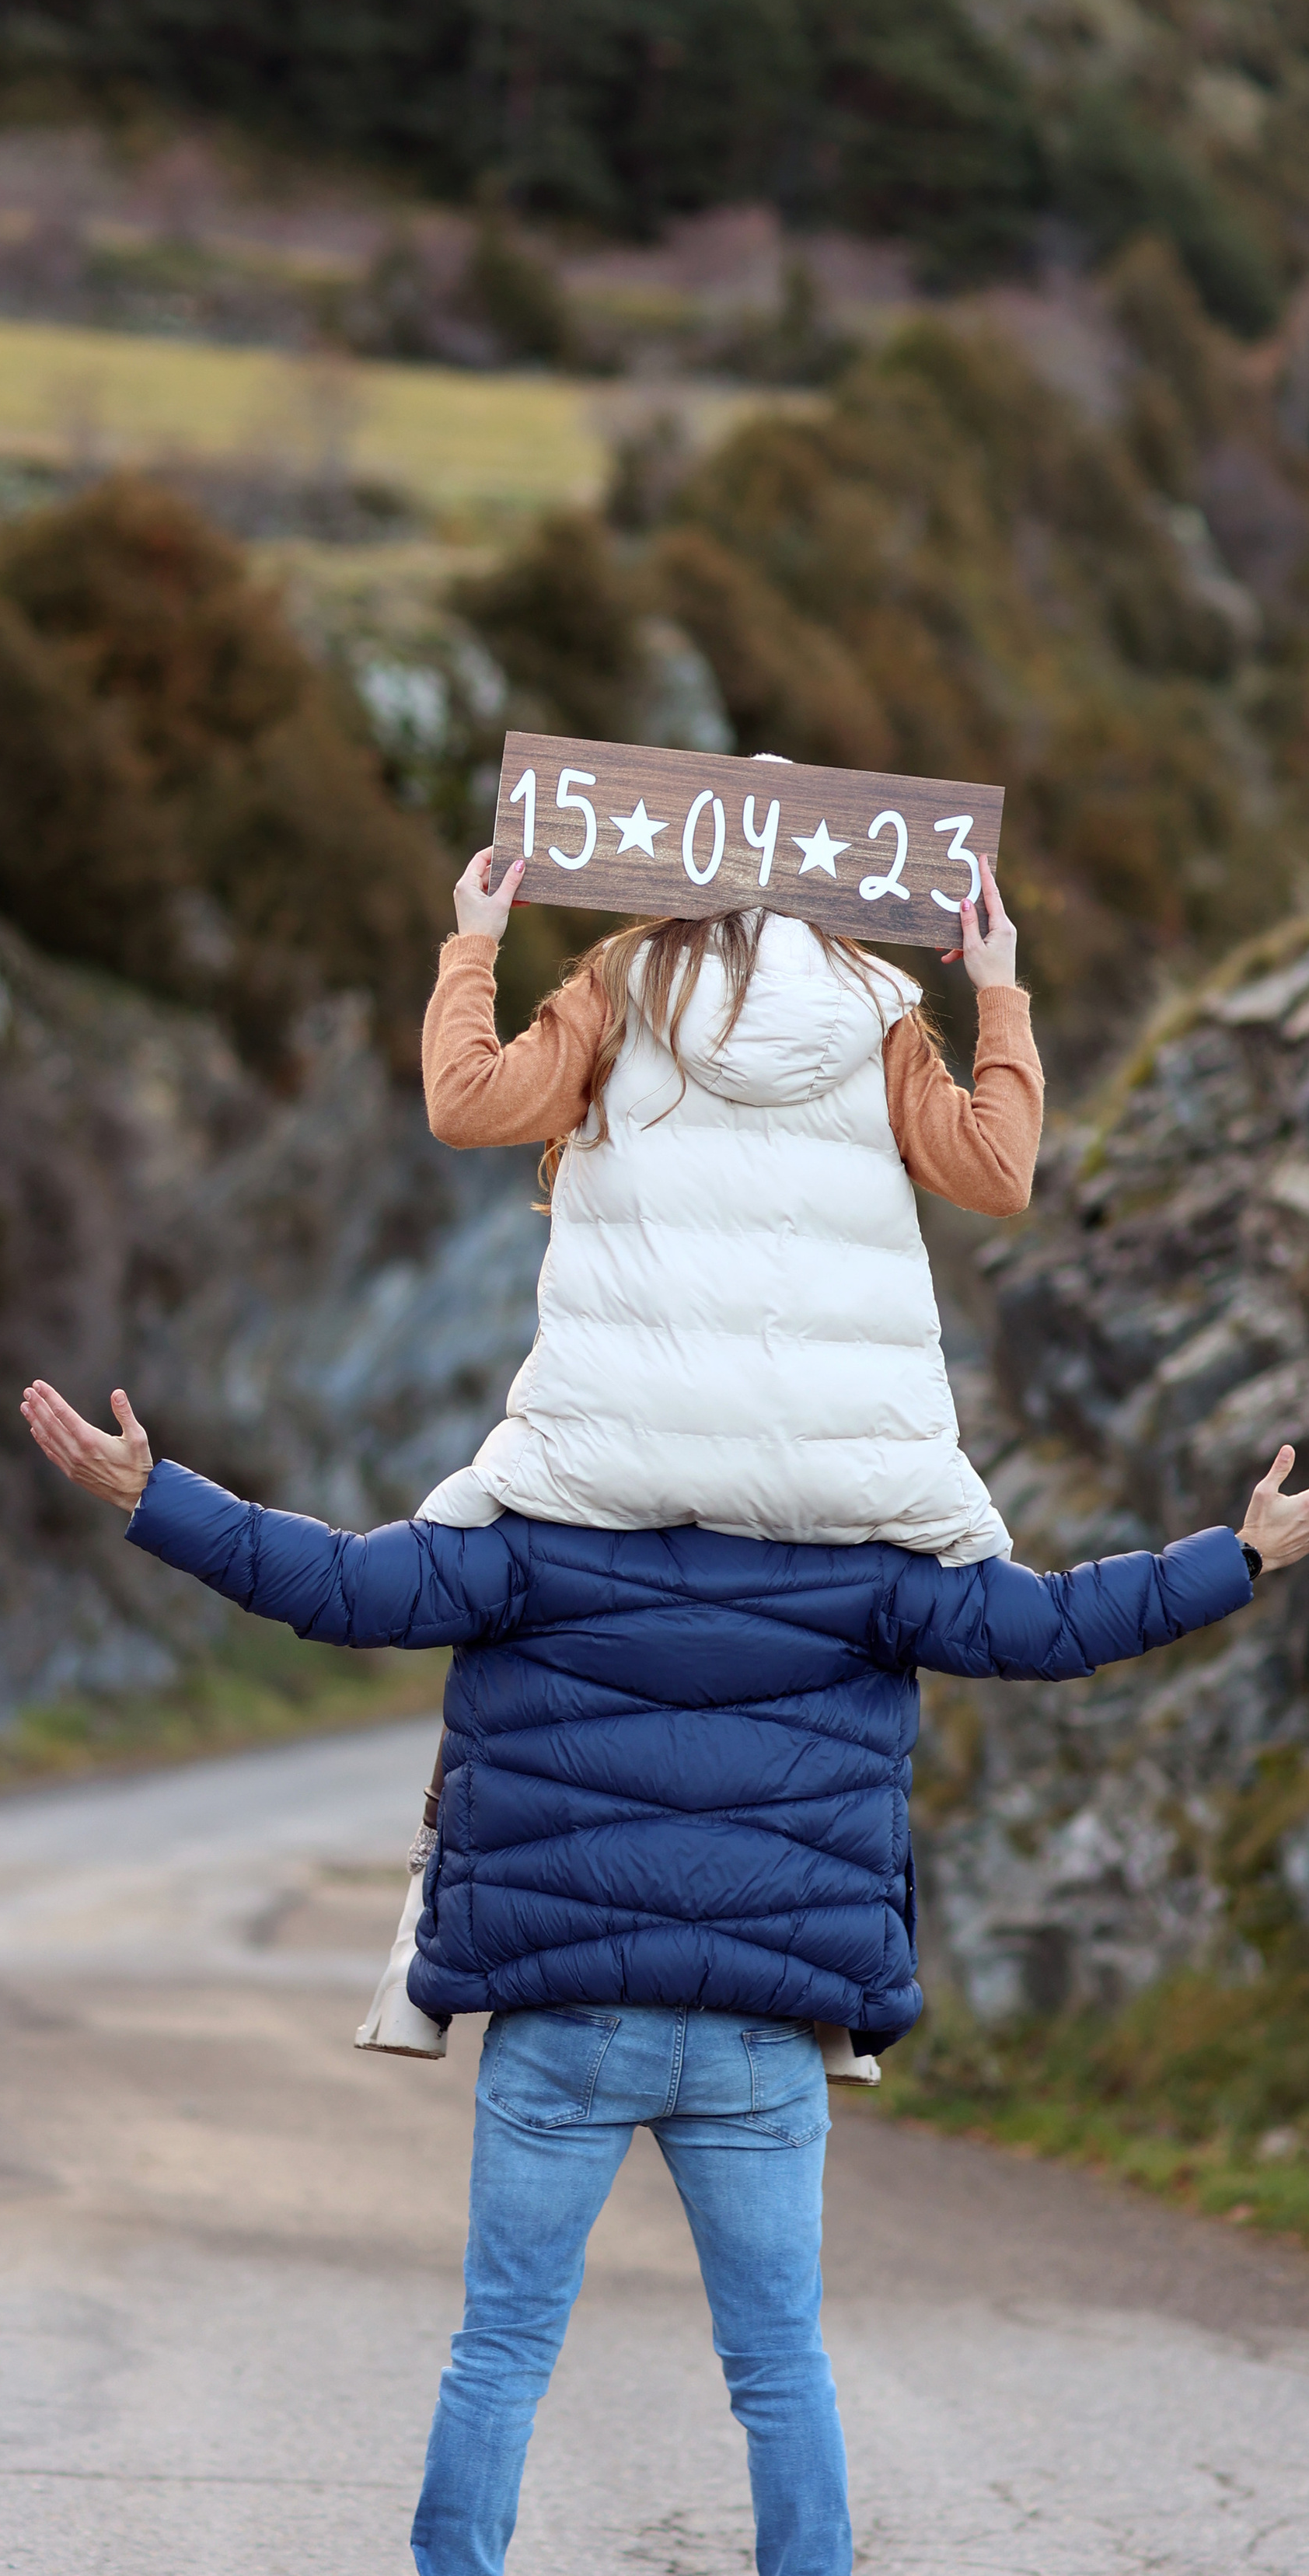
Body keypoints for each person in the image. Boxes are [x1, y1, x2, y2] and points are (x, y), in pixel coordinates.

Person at [20, 1369, 1309, 2576]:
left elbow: (335, 1587)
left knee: (502, 2357)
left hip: (564, 2016)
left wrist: (152, 1494)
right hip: (759, 2036)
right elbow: (1052, 1626)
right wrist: (1243, 1555)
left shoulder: (531, 1539)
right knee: (780, 2372)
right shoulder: (865, 1567)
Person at [362, 828, 1043, 2071]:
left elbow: (468, 1107)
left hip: (611, 1442)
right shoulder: (881, 1012)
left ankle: (421, 1975)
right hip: (839, 1460)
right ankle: (840, 2025)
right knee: (837, 1704)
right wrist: (997, 990)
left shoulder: (622, 992)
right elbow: (995, 1172)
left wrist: (475, 942)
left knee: (505, 1655)